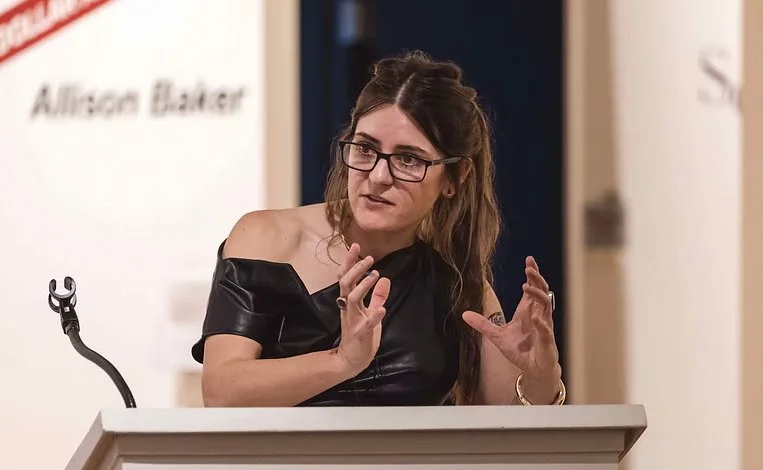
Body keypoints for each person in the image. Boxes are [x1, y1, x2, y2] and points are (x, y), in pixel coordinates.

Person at [192, 50, 565, 407]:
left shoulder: (454, 283)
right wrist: (342, 361)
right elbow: (222, 392)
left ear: (454, 176)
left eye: (408, 159)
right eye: (365, 150)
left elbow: (507, 425)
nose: (378, 176)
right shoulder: (265, 238)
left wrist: (541, 375)